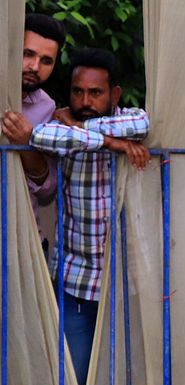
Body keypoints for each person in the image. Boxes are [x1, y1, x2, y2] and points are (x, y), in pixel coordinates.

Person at [29, 48, 150, 385]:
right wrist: (111, 142)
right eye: (78, 92)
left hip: (122, 281)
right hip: (75, 278)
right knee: (76, 376)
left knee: (117, 377)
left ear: (114, 93)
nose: (85, 100)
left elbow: (142, 124)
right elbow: (40, 137)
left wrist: (82, 128)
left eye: (95, 93)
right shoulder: (60, 125)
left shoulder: (127, 119)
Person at [1, 14, 66, 236]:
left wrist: (27, 145)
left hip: (20, 236)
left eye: (46, 61)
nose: (34, 67)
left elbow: (47, 190)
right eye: (27, 54)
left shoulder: (47, 107)